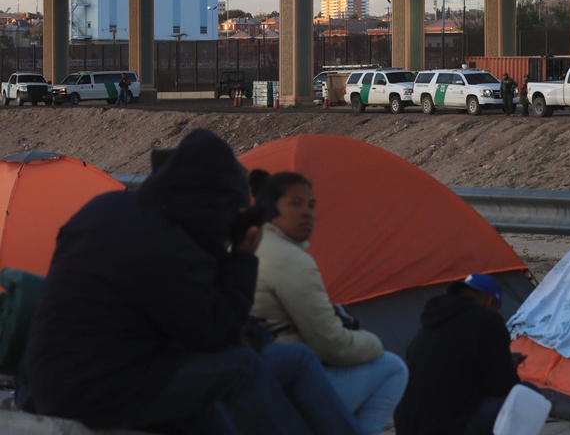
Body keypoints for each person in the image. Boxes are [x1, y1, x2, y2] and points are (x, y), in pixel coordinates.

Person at [17, 129, 361, 435]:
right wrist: (240, 258)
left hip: (69, 377)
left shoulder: (110, 207)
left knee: (292, 359)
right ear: (212, 201)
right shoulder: (169, 243)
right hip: (96, 389)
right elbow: (215, 336)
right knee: (239, 369)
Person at [250, 170, 408, 435]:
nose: (307, 213)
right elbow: (332, 345)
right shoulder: (291, 260)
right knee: (392, 367)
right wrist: (375, 344)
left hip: (251, 378)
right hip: (283, 384)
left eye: (311, 205)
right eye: (295, 204)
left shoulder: (248, 243)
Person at [394, 273, 523, 435]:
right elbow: (502, 385)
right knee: (525, 392)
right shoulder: (488, 320)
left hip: (405, 425)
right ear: (490, 302)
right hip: (446, 428)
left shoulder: (432, 321)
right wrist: (508, 366)